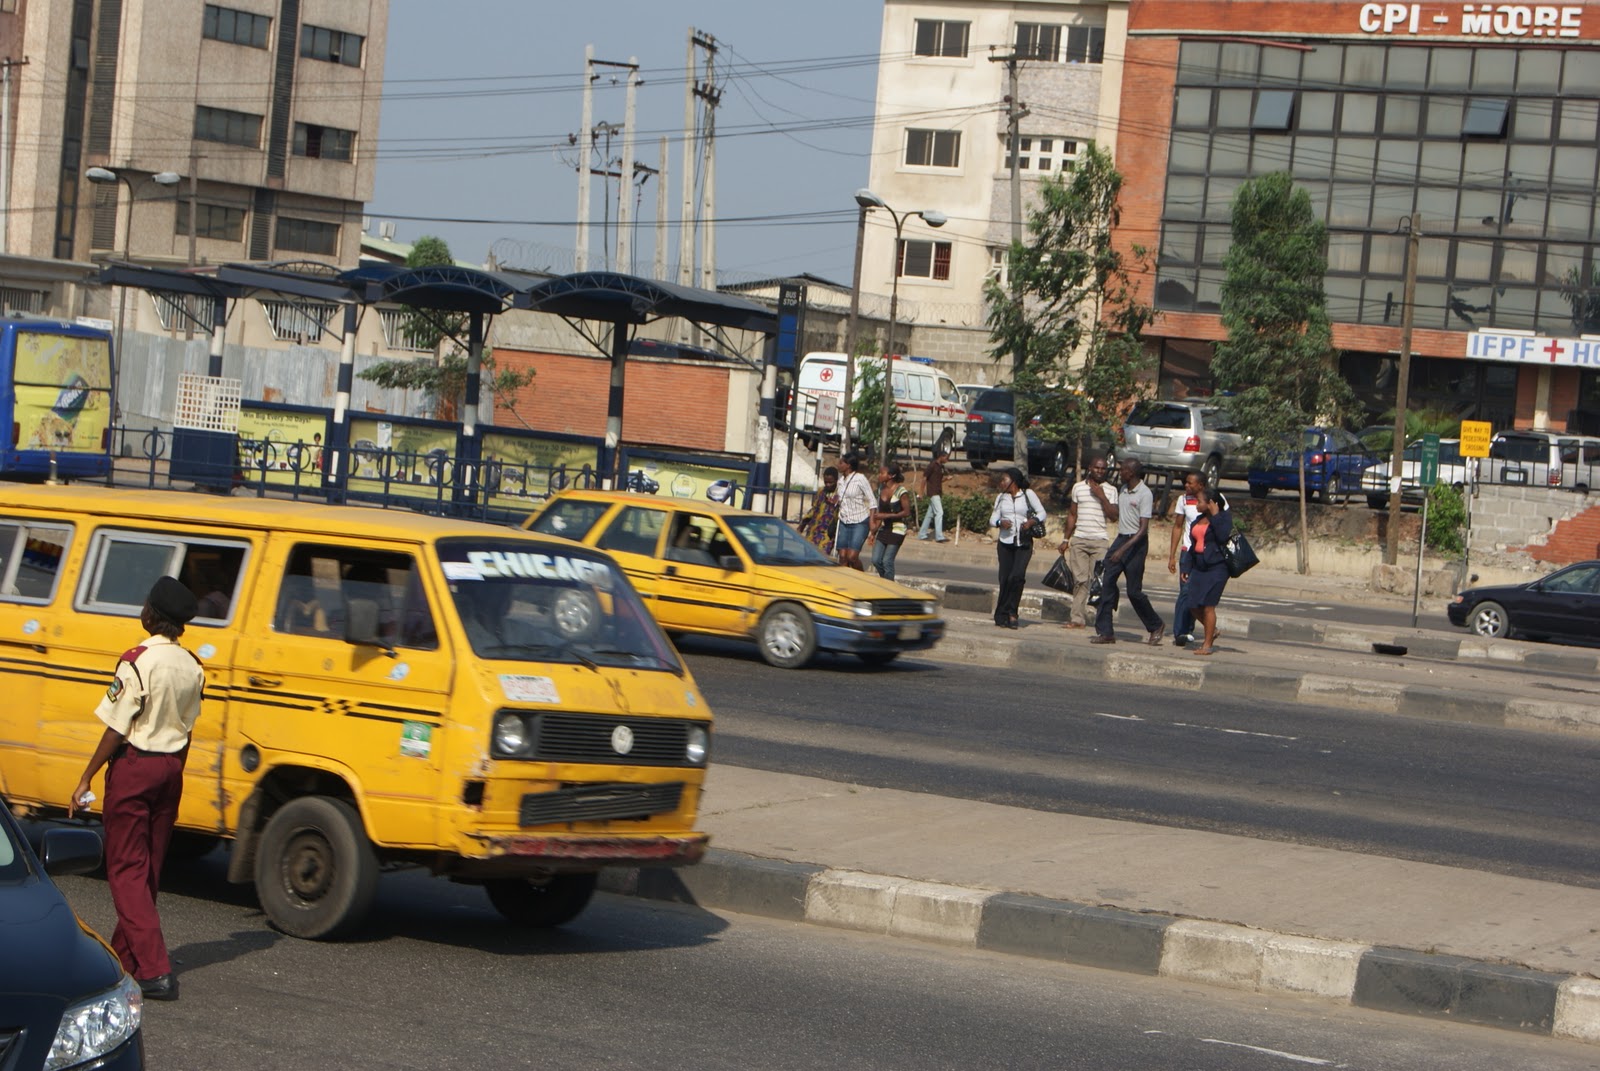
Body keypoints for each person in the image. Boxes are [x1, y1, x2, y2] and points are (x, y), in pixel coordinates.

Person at [70, 576, 206, 1002]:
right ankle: (123, 959)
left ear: (153, 615)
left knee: (125, 869)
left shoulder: (136, 661)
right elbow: (188, 727)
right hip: (171, 768)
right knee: (147, 868)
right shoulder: (193, 665)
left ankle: (155, 969)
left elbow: (116, 728)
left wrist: (86, 777)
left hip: (135, 767)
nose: (142, 611)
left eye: (145, 605)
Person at [1091, 458, 1166, 646]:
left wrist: (1123, 550)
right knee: (1106, 583)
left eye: (1123, 470)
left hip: (1136, 543)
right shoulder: (1123, 490)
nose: (1120, 473)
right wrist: (1103, 498)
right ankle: (1106, 632)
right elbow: (1117, 515)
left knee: (1134, 591)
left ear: (1131, 473)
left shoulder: (1145, 494)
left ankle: (1155, 625)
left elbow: (1143, 529)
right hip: (1121, 539)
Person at [1168, 470, 1229, 647]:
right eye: (1185, 483)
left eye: (1190, 483)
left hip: (1212, 558)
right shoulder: (1183, 501)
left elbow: (1224, 529)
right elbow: (1178, 527)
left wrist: (1215, 514)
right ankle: (1180, 632)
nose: (1186, 486)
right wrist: (1172, 555)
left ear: (1201, 486)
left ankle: (1194, 631)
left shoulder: (1217, 499)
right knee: (1186, 594)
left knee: (1204, 601)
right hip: (1190, 553)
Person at [1057, 454, 1115, 630]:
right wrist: (1066, 539)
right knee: (1080, 580)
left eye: (1103, 468)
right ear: (1090, 468)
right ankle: (1077, 619)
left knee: (1099, 583)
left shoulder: (1111, 490)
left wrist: (1102, 496)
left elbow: (1113, 516)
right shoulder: (1078, 488)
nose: (1099, 471)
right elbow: (1073, 514)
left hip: (1100, 541)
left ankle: (1102, 621)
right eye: (1096, 467)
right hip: (1080, 539)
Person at [1179, 486, 1233, 656]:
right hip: (1199, 567)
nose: (1196, 504)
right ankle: (1213, 630)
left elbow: (1223, 536)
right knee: (1192, 604)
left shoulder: (1223, 518)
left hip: (1217, 568)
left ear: (1210, 503)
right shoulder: (1198, 519)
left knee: (1208, 606)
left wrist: (1215, 515)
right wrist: (1186, 567)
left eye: (1200, 501)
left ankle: (1207, 644)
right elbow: (1192, 545)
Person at [990, 467, 1045, 630]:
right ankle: (1001, 614)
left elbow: (1042, 513)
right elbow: (993, 519)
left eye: (1004, 479)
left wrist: (1031, 522)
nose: (1001, 482)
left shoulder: (1028, 495)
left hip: (1024, 543)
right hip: (1005, 543)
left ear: (1013, 481)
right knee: (1005, 579)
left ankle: (1012, 613)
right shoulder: (1001, 498)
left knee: (1017, 577)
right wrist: (1001, 523)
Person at [869, 462, 913, 580]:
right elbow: (880, 514)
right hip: (885, 528)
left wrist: (887, 516)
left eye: (882, 473)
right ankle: (886, 581)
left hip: (898, 530)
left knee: (887, 561)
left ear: (891, 475)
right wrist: (873, 532)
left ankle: (889, 586)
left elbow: (906, 512)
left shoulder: (901, 491)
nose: (879, 475)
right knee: (876, 560)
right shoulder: (880, 490)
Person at [834, 452, 875, 571]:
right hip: (844, 521)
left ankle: (861, 577)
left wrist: (872, 523)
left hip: (859, 521)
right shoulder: (841, 481)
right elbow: (841, 499)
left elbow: (872, 501)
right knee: (842, 557)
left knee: (852, 557)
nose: (838, 465)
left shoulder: (860, 479)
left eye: (841, 463)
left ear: (849, 465)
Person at [796, 466, 841, 555]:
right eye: (826, 482)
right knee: (808, 555)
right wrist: (802, 525)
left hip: (827, 533)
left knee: (822, 557)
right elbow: (814, 509)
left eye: (830, 482)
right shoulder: (821, 491)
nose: (827, 484)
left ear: (836, 480)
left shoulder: (840, 493)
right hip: (813, 530)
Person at [917, 446, 950, 542]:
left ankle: (922, 534)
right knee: (939, 512)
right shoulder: (932, 465)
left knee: (929, 514)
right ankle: (939, 536)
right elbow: (924, 478)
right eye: (946, 458)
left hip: (937, 492)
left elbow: (938, 480)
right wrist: (921, 492)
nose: (947, 460)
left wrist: (946, 479)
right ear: (941, 456)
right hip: (933, 492)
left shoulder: (940, 467)